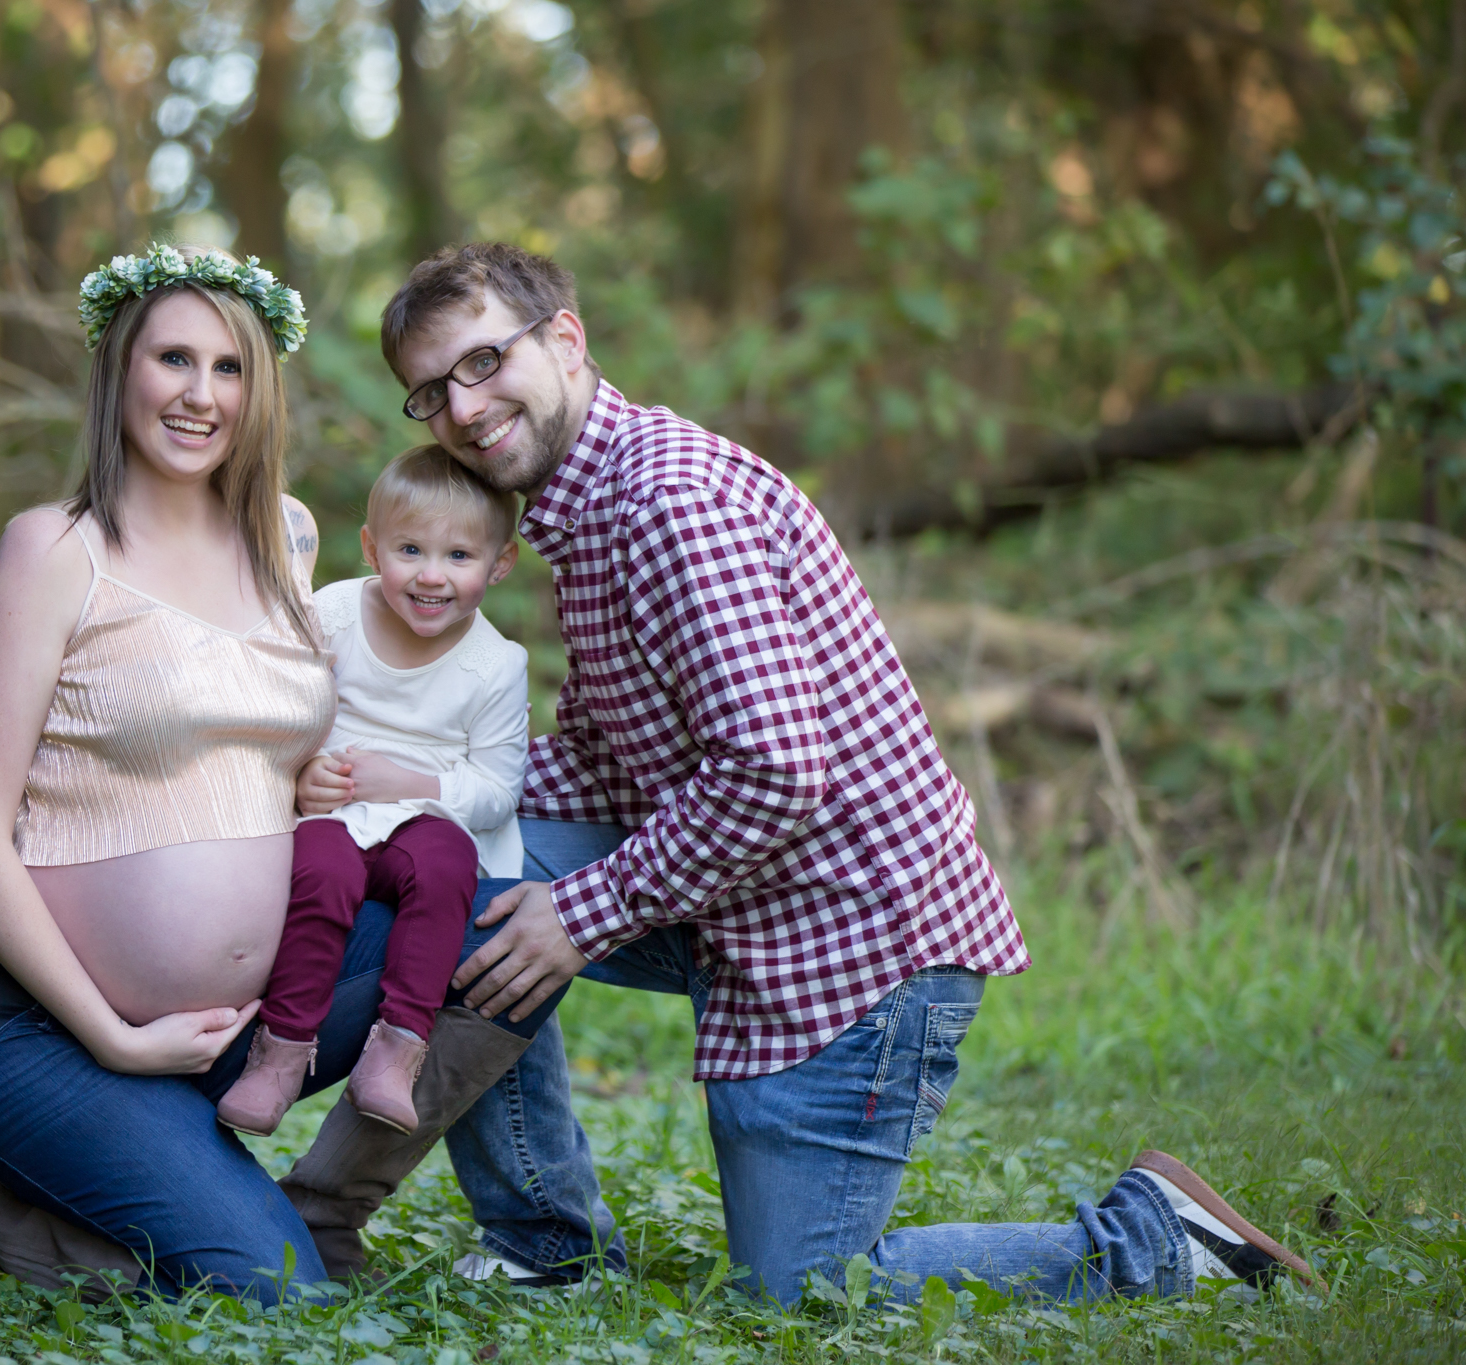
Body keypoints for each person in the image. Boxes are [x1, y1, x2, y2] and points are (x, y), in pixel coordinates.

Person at [281, 241, 1323, 1306]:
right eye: (429, 392)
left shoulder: (670, 507)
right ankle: (540, 1242)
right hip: (740, 896)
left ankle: (1150, 1238)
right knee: (460, 867)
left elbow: (776, 773)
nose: (460, 407)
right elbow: (599, 769)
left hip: (848, 947)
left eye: (480, 362)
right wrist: (408, 782)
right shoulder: (582, 512)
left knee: (804, 1293)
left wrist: (582, 913)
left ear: (564, 339)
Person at [0, 247, 567, 1303]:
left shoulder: (284, 540)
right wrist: (117, 1038)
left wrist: (325, 784)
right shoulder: (53, 551)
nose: (199, 394)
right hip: (44, 1029)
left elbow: (261, 737)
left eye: (228, 367)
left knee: (503, 925)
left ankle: (298, 1200)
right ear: (116, 372)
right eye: (171, 359)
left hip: (253, 1018)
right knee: (266, 1294)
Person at [219, 446, 530, 1138]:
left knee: (445, 862)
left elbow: (496, 791)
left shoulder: (495, 664)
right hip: (335, 812)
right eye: (410, 549)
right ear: (370, 546)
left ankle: (396, 1049)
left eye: (459, 556)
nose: (430, 575)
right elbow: (282, 708)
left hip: (426, 816)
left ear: (500, 563)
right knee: (319, 870)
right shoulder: (331, 613)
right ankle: (281, 1051)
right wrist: (304, 770)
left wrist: (410, 781)